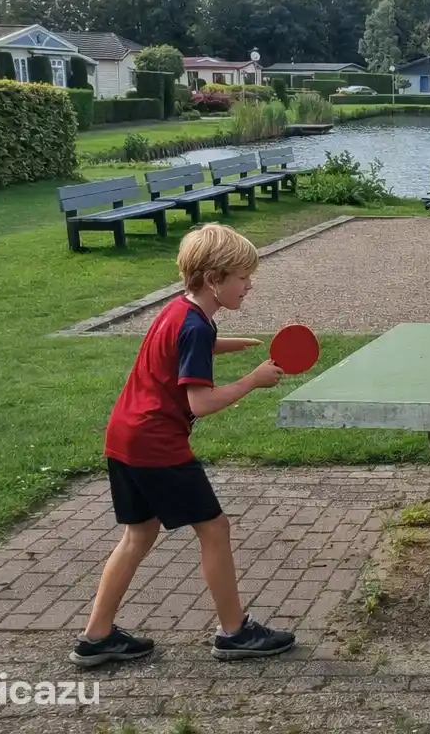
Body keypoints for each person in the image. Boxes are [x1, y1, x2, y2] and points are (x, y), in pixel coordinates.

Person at [71, 223, 296, 668]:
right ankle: (234, 632)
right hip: (157, 444)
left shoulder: (178, 311)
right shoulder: (195, 328)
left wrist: (241, 345)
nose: (249, 285)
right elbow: (202, 401)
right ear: (214, 279)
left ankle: (97, 637)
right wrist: (252, 380)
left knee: (139, 534)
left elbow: (190, 344)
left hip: (123, 436)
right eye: (243, 277)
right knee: (214, 529)